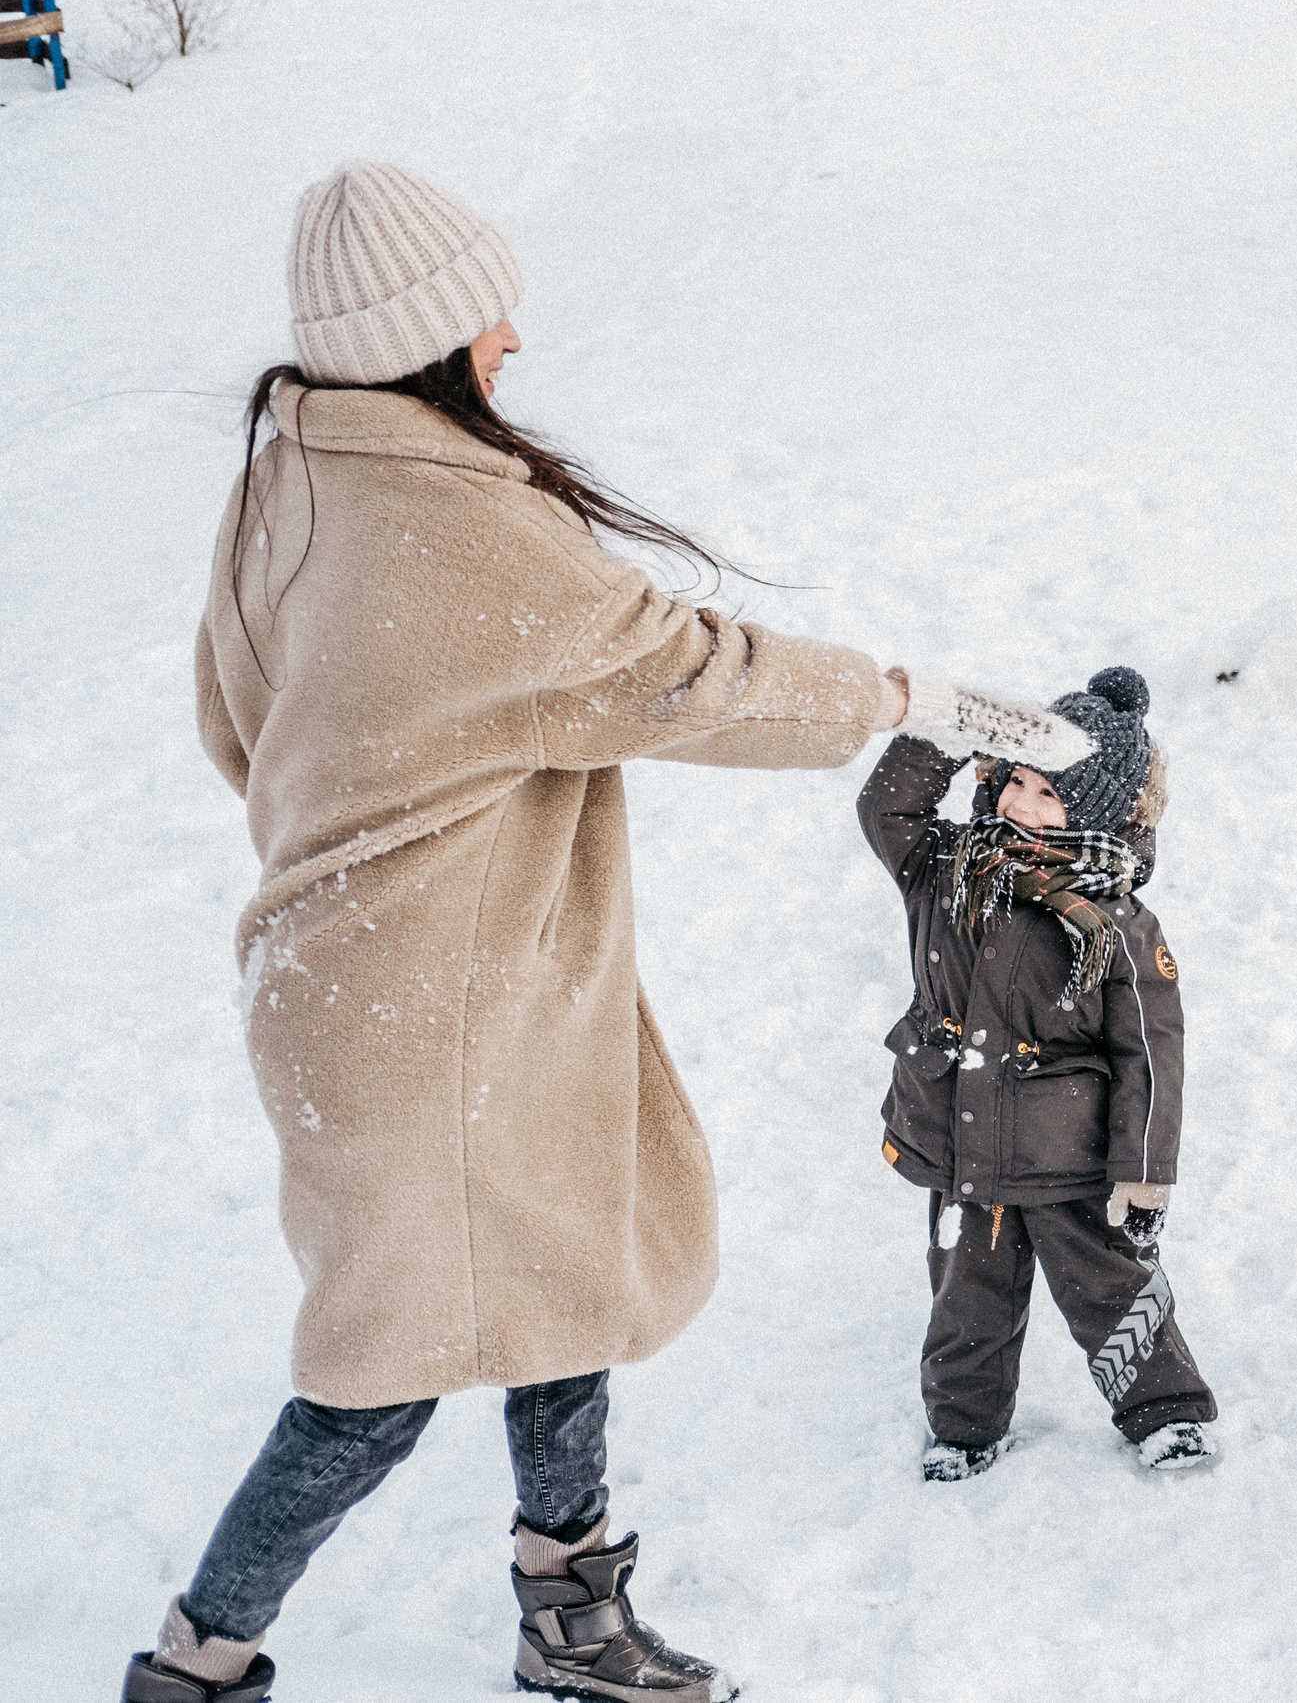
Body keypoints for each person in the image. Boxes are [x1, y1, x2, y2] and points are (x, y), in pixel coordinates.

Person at [128, 160, 1090, 1703]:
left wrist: (386, 813)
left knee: (556, 1277)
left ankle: (569, 1611)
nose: (511, 336)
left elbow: (235, 723)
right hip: (435, 1011)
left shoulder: (293, 474)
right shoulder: (453, 523)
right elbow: (682, 672)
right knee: (381, 1373)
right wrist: (914, 699)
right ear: (424, 342)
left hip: (362, 983)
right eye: (485, 315)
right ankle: (199, 1658)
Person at [857, 668, 1218, 1480]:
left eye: (1049, 793)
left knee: (1112, 1288)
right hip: (961, 1140)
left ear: (1095, 810)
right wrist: (955, 725)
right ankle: (964, 1427)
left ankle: (1166, 1410)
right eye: (1017, 778)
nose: (1021, 802)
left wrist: (1144, 1169)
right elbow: (888, 808)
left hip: (1067, 1158)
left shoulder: (1118, 924)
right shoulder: (946, 869)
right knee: (966, 1296)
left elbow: (1151, 1052)